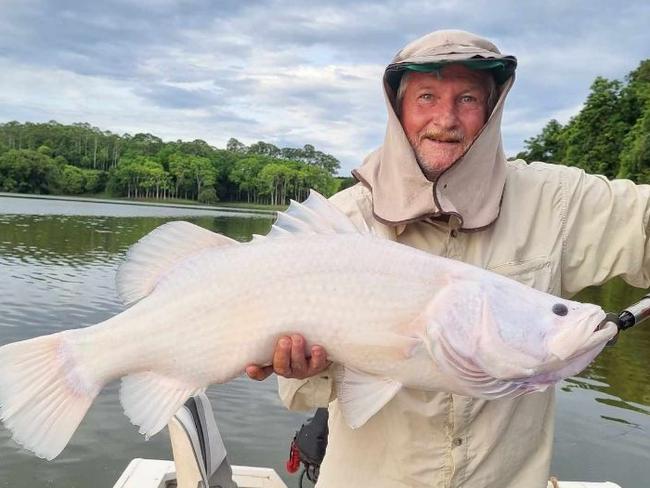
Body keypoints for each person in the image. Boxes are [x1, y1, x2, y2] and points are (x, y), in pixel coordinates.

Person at [246, 29, 650, 487]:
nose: (445, 118)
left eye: (468, 99)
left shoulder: (557, 200)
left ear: (493, 109)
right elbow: (295, 392)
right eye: (425, 96)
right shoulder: (341, 224)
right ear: (398, 111)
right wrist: (307, 369)